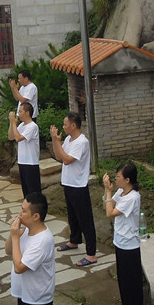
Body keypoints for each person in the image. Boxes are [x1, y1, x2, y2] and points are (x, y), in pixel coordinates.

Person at [5, 191, 55, 305]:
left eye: (24, 211)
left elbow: (19, 267)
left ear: (36, 216)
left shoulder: (42, 240)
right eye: (21, 208)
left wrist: (15, 237)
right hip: (25, 294)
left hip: (37, 299)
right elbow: (8, 251)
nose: (20, 213)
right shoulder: (27, 229)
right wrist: (13, 234)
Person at [50, 112, 97, 266]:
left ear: (73, 125)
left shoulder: (81, 142)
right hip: (68, 183)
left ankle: (91, 254)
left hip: (78, 185)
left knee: (85, 220)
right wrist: (55, 141)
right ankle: (74, 240)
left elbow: (68, 160)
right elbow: (59, 157)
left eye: (65, 124)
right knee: (72, 217)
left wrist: (57, 141)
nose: (63, 127)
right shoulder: (69, 140)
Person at [103, 163, 142, 305]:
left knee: (132, 282)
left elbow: (109, 213)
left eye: (118, 176)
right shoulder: (122, 192)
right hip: (120, 242)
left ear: (127, 180)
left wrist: (108, 191)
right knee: (123, 278)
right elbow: (109, 203)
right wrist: (109, 191)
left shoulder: (132, 197)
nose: (115, 178)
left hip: (130, 246)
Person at [9, 101, 41, 196]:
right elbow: (11, 137)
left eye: (20, 111)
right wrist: (12, 123)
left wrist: (14, 124)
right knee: (26, 190)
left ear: (27, 113)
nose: (18, 114)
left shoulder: (32, 126)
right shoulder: (21, 125)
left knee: (33, 191)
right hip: (22, 162)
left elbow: (18, 138)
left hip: (31, 163)